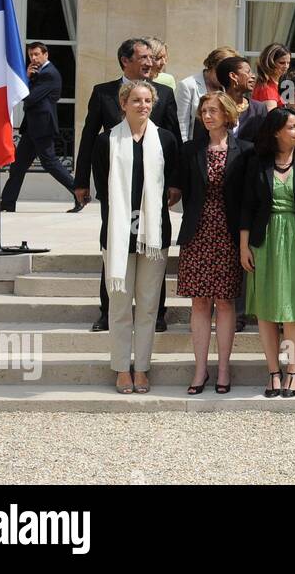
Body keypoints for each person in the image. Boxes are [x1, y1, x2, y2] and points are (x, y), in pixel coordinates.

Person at [74, 38, 181, 333]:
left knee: (154, 244)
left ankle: (156, 312)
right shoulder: (103, 93)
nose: (149, 62)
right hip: (115, 186)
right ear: (125, 60)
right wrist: (81, 180)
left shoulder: (164, 94)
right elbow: (88, 137)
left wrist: (175, 182)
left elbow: (173, 140)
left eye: (152, 57)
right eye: (143, 57)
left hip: (153, 187)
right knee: (114, 241)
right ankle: (108, 311)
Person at [92, 80, 179, 394]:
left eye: (147, 101)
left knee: (147, 305)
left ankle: (141, 367)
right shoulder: (106, 142)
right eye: (136, 100)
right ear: (123, 104)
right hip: (117, 234)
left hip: (154, 235)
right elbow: (103, 190)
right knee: (119, 305)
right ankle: (121, 368)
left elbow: (170, 184)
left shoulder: (166, 140)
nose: (142, 106)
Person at [239, 107, 295, 398]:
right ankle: (273, 372)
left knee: (292, 310)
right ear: (276, 131)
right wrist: (244, 247)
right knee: (266, 310)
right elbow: (247, 207)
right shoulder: (256, 162)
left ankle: (292, 370)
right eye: (292, 127)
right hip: (264, 241)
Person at [176, 92, 251, 395]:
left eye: (214, 111)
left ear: (228, 114)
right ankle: (199, 370)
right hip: (198, 232)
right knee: (200, 301)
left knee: (226, 302)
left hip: (229, 234)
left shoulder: (245, 151)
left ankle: (223, 369)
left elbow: (248, 199)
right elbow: (178, 189)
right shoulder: (190, 149)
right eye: (204, 111)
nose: (207, 116)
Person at [0, 42, 77, 213]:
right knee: (18, 166)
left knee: (50, 163)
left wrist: (25, 78)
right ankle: (7, 203)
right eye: (31, 55)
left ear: (46, 55)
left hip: (42, 126)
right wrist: (29, 77)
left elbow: (30, 98)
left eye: (37, 54)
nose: (33, 58)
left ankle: (80, 193)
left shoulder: (50, 74)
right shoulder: (39, 73)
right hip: (32, 127)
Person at [194, 56, 267, 145]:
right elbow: (199, 144)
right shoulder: (209, 106)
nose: (253, 76)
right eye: (248, 72)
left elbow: (264, 143)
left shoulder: (259, 109)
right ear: (233, 76)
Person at [175, 46, 237, 143]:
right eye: (221, 72)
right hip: (195, 147)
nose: (225, 77)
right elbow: (181, 123)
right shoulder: (188, 85)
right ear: (212, 66)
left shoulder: (227, 87)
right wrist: (185, 149)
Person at [252, 42, 291, 112]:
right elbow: (272, 119)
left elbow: (291, 108)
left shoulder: (285, 82)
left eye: (288, 63)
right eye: (282, 63)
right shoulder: (267, 88)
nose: (286, 66)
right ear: (270, 63)